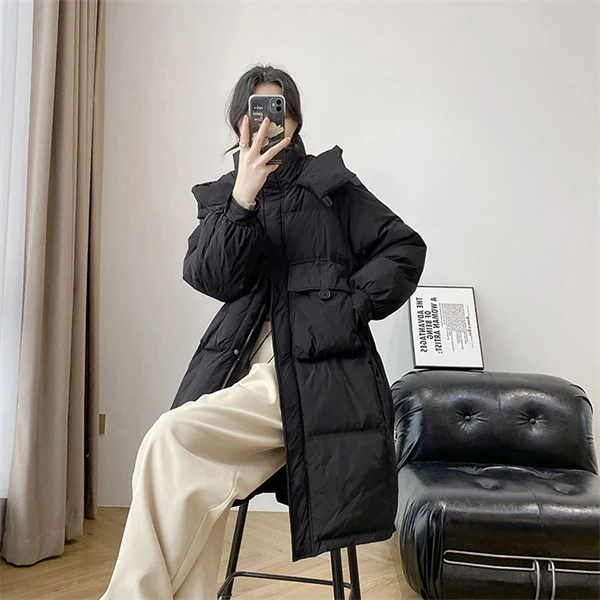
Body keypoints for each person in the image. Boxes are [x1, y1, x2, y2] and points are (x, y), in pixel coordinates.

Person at [100, 64, 427, 600]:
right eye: (257, 112)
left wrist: (350, 307)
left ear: (295, 121)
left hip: (313, 376)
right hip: (240, 368)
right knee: (184, 470)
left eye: (280, 111)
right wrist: (242, 201)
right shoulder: (226, 197)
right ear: (239, 124)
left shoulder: (329, 185)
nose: (269, 124)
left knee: (169, 438)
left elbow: (404, 247)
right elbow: (212, 277)